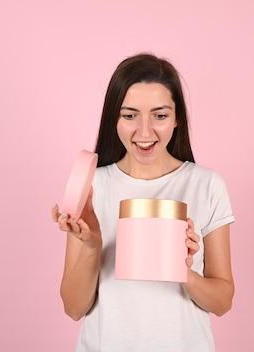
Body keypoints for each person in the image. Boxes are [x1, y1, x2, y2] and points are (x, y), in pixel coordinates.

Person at [51, 53, 235, 352]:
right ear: (114, 118)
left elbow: (223, 302)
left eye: (160, 116)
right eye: (130, 115)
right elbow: (73, 308)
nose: (145, 132)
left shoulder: (206, 185)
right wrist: (92, 247)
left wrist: (183, 270)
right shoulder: (93, 186)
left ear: (177, 119)